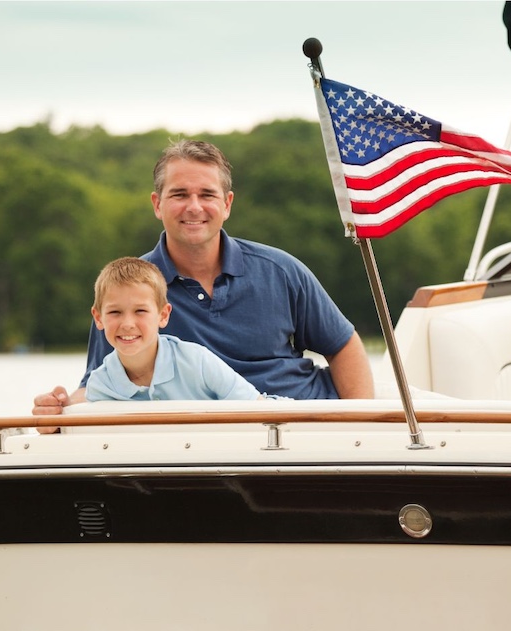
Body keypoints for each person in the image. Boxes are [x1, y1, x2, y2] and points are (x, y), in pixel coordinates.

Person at [34, 139, 373, 430]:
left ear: (227, 204)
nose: (194, 207)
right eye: (179, 194)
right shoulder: (127, 293)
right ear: (157, 204)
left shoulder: (281, 270)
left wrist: (360, 428)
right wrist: (58, 408)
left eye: (207, 194)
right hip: (201, 445)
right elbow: (99, 386)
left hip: (302, 426)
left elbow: (342, 345)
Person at [86, 257, 263, 402]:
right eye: (115, 312)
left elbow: (259, 409)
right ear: (99, 318)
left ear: (163, 315)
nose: (127, 324)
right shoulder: (100, 386)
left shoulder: (198, 361)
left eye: (140, 311)